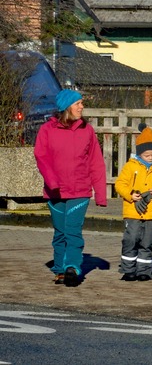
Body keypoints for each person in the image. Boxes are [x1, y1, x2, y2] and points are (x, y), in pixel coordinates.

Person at [33, 89, 107, 286]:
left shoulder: (87, 130)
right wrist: (52, 182)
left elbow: (96, 162)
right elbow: (41, 156)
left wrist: (100, 194)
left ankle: (72, 267)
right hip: (55, 191)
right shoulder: (47, 130)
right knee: (60, 232)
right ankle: (59, 269)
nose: (82, 107)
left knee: (73, 231)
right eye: (78, 104)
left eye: (82, 103)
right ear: (66, 107)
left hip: (80, 190)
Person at [114, 126, 152, 281]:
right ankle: (128, 270)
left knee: (148, 241)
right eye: (147, 155)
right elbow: (120, 184)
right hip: (133, 210)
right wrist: (130, 194)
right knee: (131, 238)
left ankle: (144, 271)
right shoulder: (130, 166)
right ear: (139, 153)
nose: (150, 157)